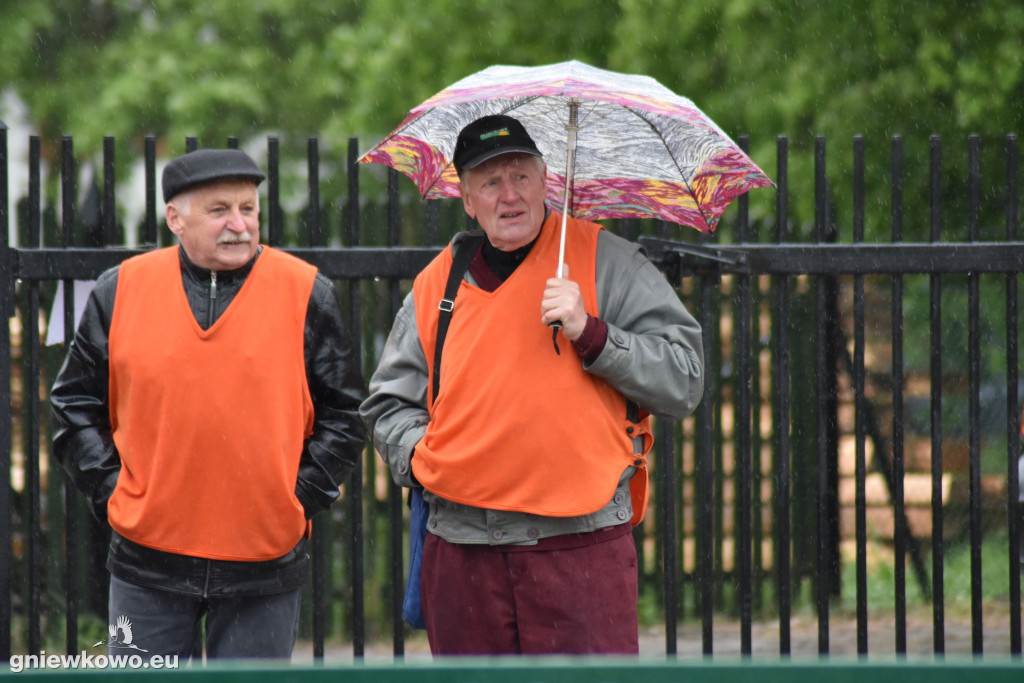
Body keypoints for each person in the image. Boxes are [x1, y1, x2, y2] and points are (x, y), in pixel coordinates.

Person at [360, 114, 704, 655]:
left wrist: (591, 333)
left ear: (547, 180)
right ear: (467, 199)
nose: (509, 194)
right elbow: (387, 404)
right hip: (463, 553)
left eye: (521, 175)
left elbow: (684, 379)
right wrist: (425, 460)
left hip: (581, 549)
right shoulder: (438, 283)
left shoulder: (608, 262)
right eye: (490, 182)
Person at [50, 148, 367, 661]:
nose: (239, 224)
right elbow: (73, 405)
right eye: (219, 210)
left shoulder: (306, 291)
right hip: (147, 563)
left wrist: (296, 498)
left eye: (248, 208)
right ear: (175, 218)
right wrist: (115, 495)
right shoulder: (120, 290)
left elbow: (347, 413)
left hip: (264, 563)